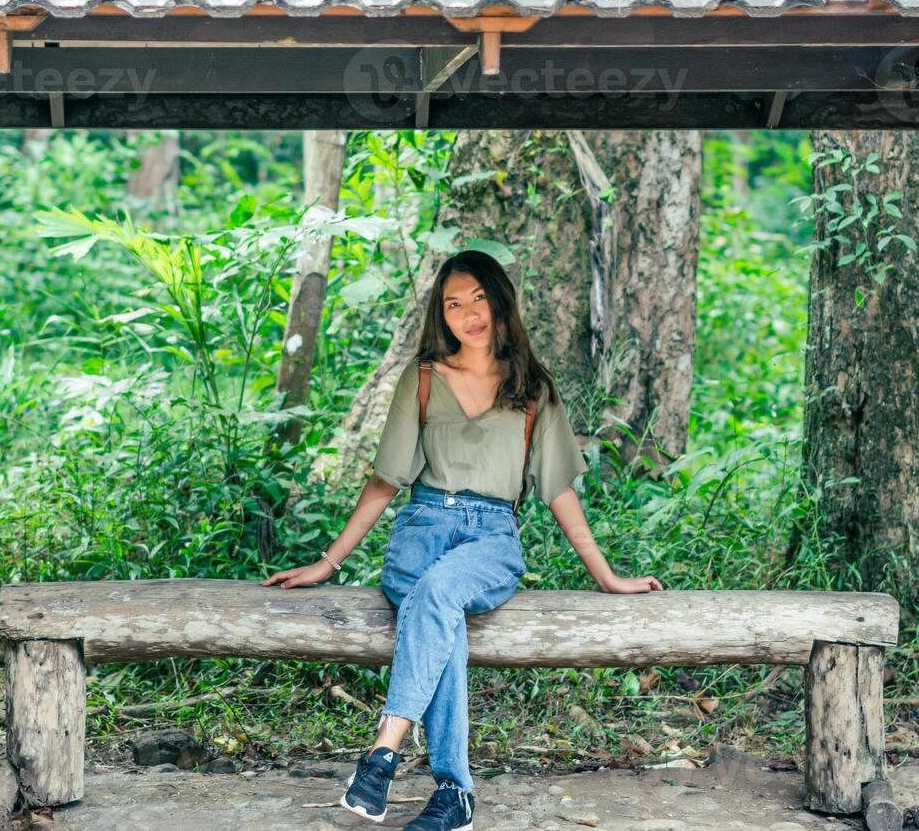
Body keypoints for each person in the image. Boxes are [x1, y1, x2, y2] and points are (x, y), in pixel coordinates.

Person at [261, 249, 663, 830]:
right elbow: (385, 481)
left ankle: (382, 754)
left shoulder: (533, 390)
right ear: (441, 315)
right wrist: (327, 563)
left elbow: (558, 492)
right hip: (420, 530)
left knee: (441, 593)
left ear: (499, 302)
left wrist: (606, 575)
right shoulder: (422, 379)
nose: (468, 313)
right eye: (454, 303)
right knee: (436, 607)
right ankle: (454, 795)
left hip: (490, 538)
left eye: (478, 298)